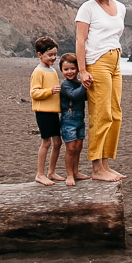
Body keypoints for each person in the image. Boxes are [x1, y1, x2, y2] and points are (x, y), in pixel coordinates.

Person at [75, 0, 127, 182]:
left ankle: (106, 164)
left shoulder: (121, 8)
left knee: (115, 114)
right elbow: (80, 40)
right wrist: (83, 70)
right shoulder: (87, 8)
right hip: (97, 63)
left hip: (115, 61)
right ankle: (97, 168)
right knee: (100, 115)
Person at [30, 36, 63, 185]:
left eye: (55, 55)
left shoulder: (53, 71)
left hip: (54, 112)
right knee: (46, 143)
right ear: (40, 55)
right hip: (43, 111)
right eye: (50, 55)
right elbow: (34, 93)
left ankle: (51, 171)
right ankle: (40, 174)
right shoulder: (38, 72)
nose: (53, 58)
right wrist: (49, 91)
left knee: (58, 142)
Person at [58, 53, 89, 186]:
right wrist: (85, 85)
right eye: (66, 69)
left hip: (80, 119)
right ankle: (69, 174)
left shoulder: (78, 83)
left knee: (78, 147)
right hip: (68, 119)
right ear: (61, 71)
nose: (69, 72)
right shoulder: (65, 85)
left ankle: (76, 172)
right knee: (70, 148)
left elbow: (85, 97)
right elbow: (74, 95)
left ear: (77, 69)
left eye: (72, 68)